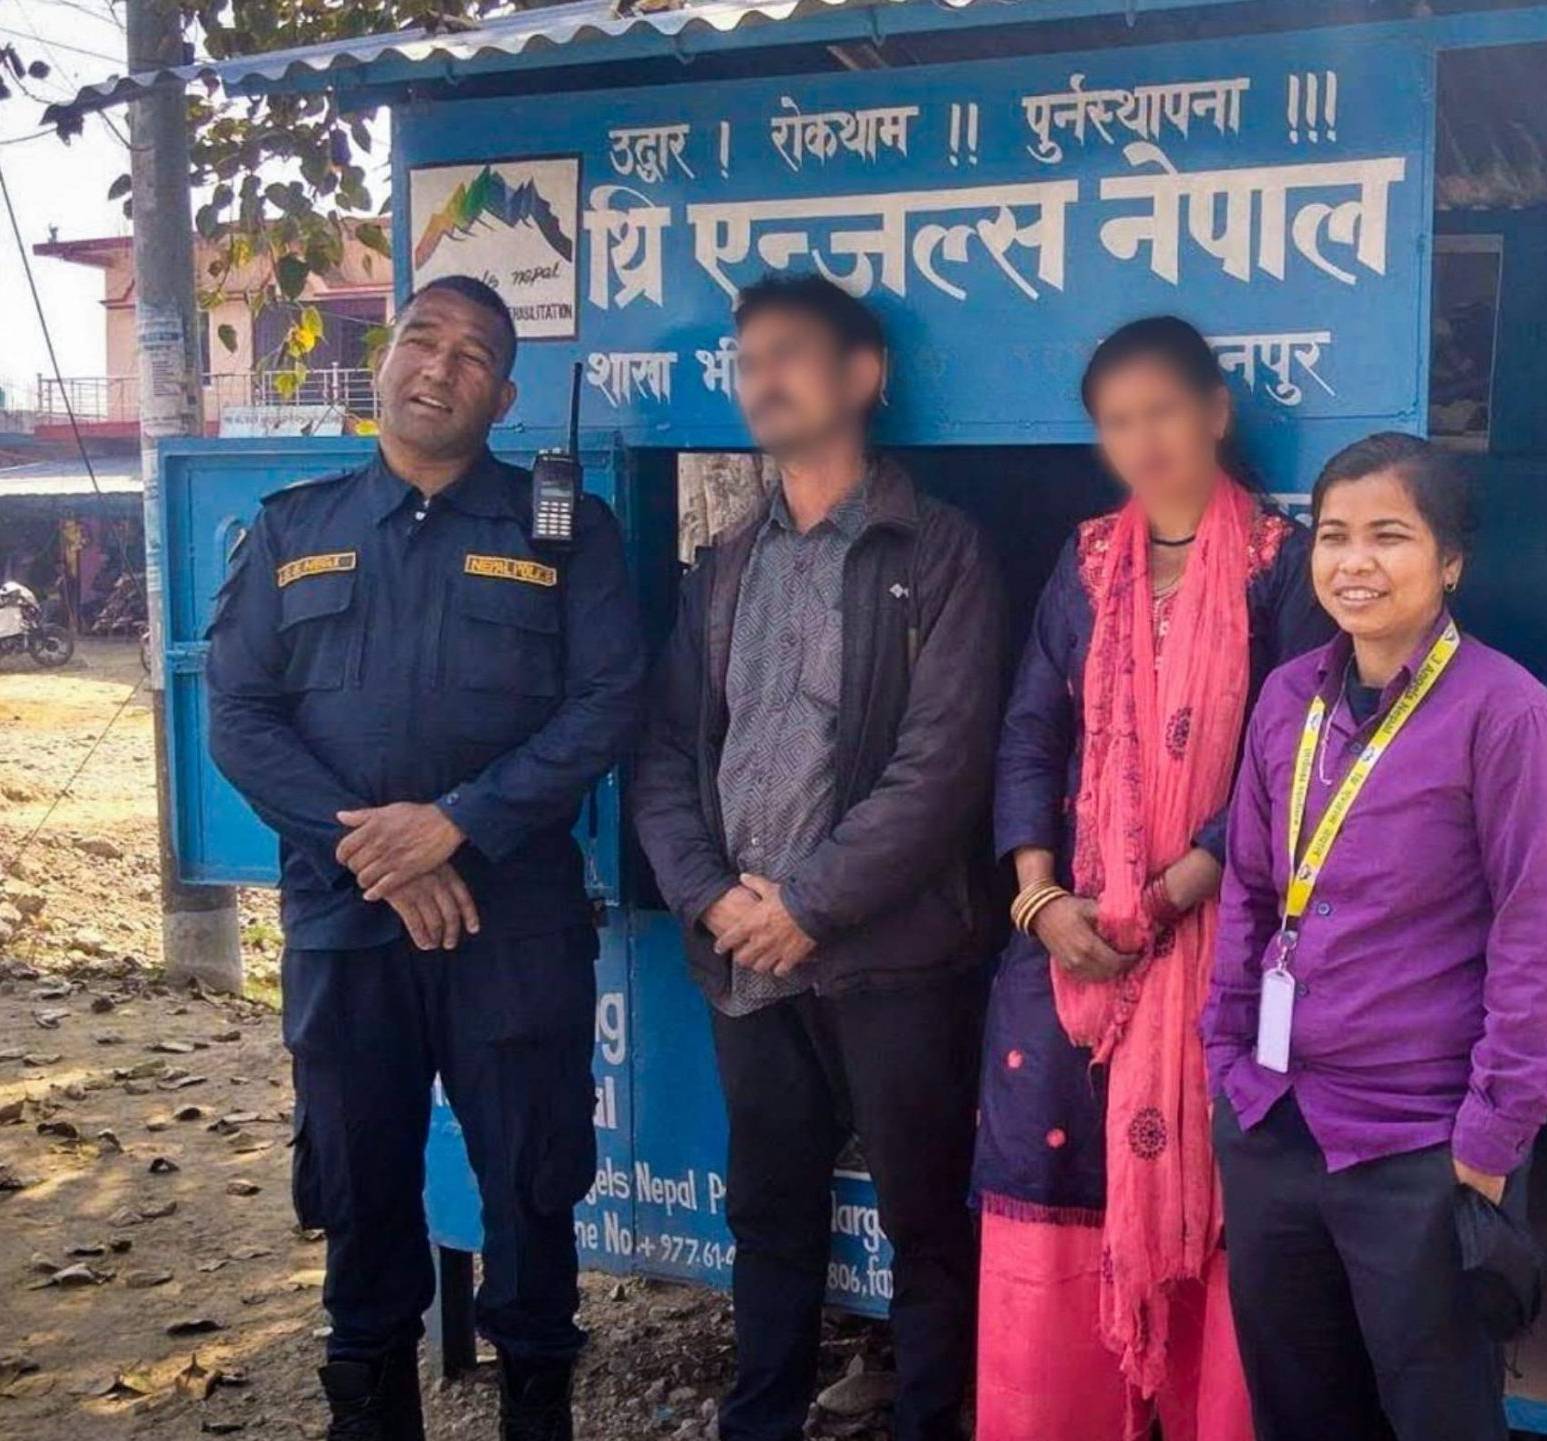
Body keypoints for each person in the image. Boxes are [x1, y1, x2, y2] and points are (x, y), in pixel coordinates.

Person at [207, 274, 644, 1440]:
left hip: (516, 924)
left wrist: (458, 822)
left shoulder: (565, 528)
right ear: (388, 360)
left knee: (531, 1184)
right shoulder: (294, 525)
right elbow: (240, 716)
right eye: (421, 338)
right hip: (349, 927)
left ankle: (539, 1411)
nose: (439, 366)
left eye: (472, 354)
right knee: (357, 1186)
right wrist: (383, 857)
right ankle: (370, 1414)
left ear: (503, 394)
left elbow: (608, 701)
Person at [630, 273, 1003, 1441]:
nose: (762, 378)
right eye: (748, 360)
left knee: (927, 1226)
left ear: (863, 375)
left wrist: (811, 905)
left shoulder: (937, 551)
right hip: (746, 956)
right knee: (769, 1220)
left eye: (788, 352)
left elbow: (942, 767)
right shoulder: (726, 563)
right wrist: (710, 900)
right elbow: (664, 754)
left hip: (890, 959)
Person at [973, 316, 1335, 1441]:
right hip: (1071, 945)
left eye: (1162, 411)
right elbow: (1031, 728)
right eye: (1118, 422)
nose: (1143, 439)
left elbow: (1295, 762)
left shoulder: (1284, 570)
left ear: (1215, 411)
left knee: (1225, 1194)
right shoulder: (1082, 566)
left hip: (1223, 939)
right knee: (1049, 1156)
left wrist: (1173, 889)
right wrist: (1039, 897)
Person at [1202, 432, 1547, 1441]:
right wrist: (1227, 1063)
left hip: (1419, 1140)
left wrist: (1491, 1138)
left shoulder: (1509, 717)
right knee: (1298, 1407)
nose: (1354, 561)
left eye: (1389, 535)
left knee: (1435, 1413)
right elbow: (1249, 890)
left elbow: (1540, 939)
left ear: (1450, 560)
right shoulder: (1289, 698)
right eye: (1334, 535)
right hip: (1274, 1118)